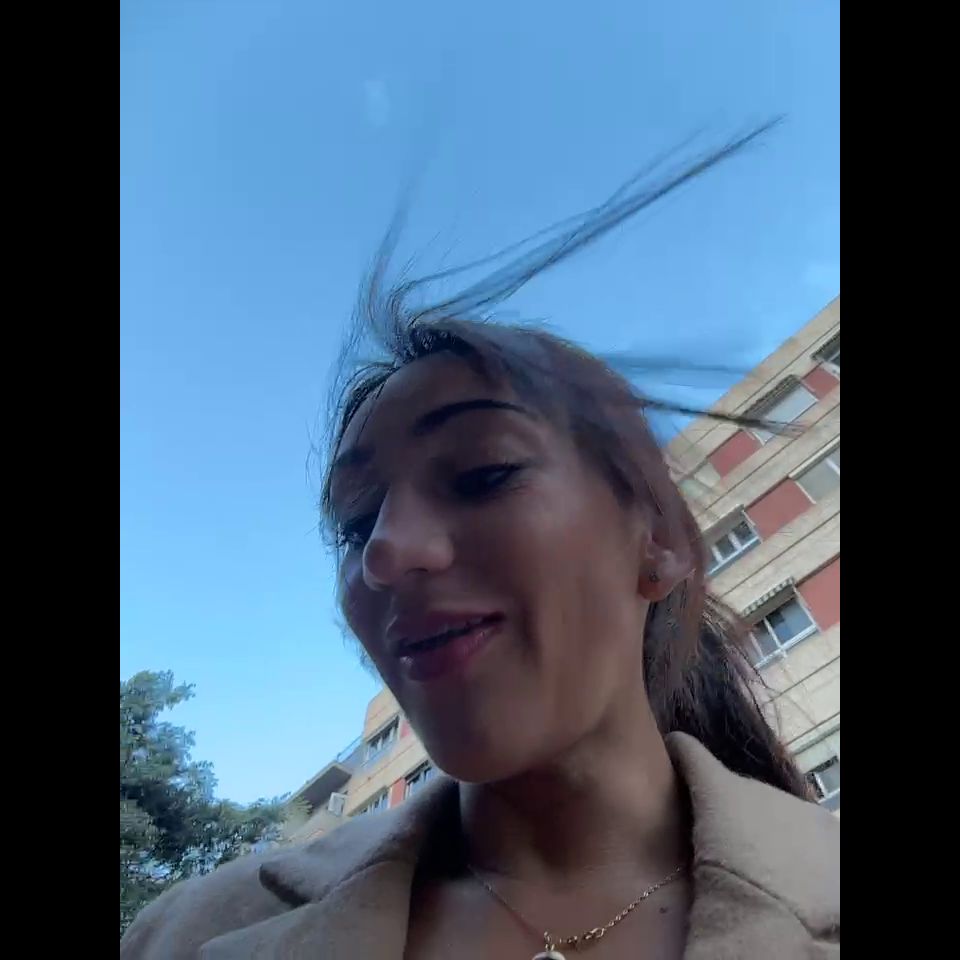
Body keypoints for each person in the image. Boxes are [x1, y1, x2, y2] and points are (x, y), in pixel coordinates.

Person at [121, 129, 840, 959]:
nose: (385, 552)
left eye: (483, 473)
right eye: (355, 524)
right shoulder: (186, 936)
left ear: (662, 541)